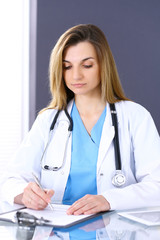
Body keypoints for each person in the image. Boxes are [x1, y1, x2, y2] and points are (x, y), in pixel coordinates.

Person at [1, 24, 160, 215]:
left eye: (87, 65)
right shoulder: (48, 120)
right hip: (57, 230)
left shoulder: (135, 117)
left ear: (103, 65)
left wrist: (108, 200)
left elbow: (156, 184)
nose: (76, 75)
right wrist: (24, 194)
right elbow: (10, 180)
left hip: (115, 231)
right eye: (67, 67)